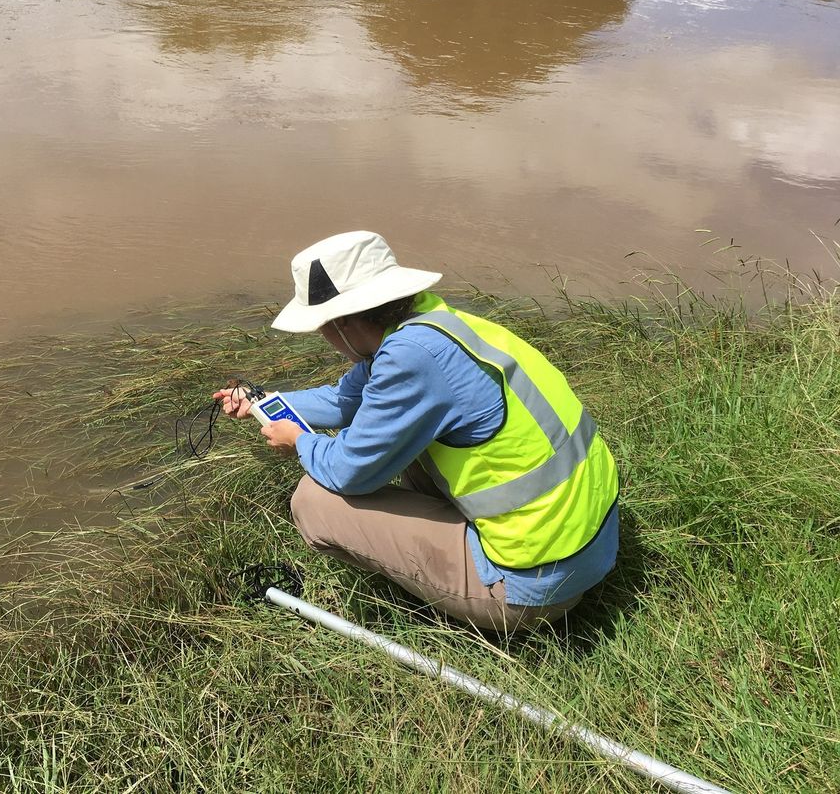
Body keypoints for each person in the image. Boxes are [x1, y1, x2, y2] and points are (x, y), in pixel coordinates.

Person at [214, 231, 619, 632]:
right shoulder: (435, 325)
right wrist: (262, 401)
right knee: (414, 446)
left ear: (341, 322)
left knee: (313, 500)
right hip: (588, 550)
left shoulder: (411, 359)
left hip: (531, 589)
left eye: (322, 326)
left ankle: (451, 604)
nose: (324, 339)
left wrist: (300, 441)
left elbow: (346, 471)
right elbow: (344, 399)